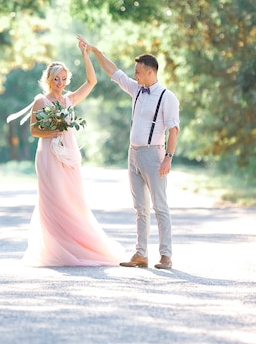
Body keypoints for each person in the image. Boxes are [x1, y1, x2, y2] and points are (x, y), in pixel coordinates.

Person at [8, 40, 124, 267]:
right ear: (48, 80)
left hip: (69, 155)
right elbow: (33, 130)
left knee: (72, 199)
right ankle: (56, 248)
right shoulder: (40, 102)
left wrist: (86, 55)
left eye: (63, 79)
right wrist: (53, 129)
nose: (60, 83)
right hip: (48, 155)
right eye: (56, 79)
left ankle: (76, 244)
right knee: (54, 197)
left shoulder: (69, 100)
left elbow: (92, 81)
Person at [77, 35, 180, 270]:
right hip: (133, 154)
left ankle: (165, 256)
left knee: (160, 206)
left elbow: (174, 131)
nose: (134, 76)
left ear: (150, 73)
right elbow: (114, 72)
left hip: (154, 155)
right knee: (140, 208)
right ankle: (141, 254)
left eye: (138, 72)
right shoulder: (136, 90)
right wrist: (94, 51)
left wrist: (168, 158)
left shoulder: (167, 97)